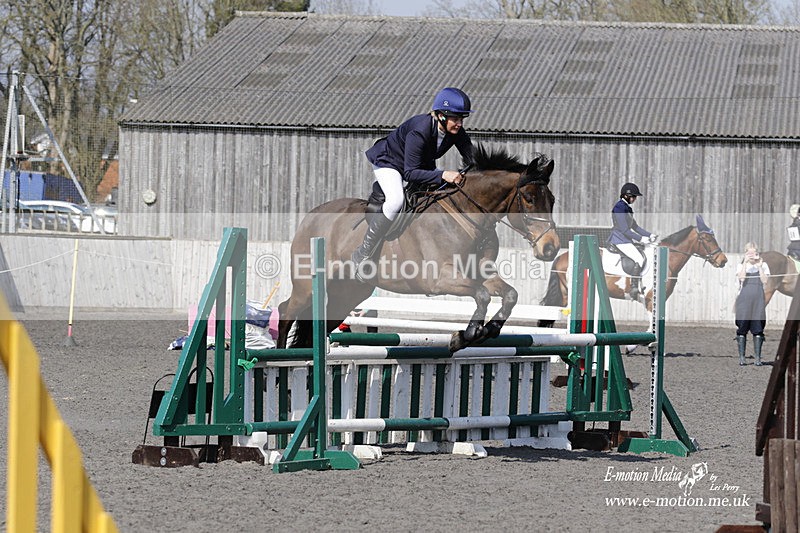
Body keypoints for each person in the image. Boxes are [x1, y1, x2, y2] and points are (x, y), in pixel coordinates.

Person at [351, 87, 475, 279]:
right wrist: (443, 175)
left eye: (462, 119)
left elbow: (472, 159)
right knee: (396, 201)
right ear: (441, 116)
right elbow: (410, 173)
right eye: (455, 118)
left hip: (418, 166)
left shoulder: (456, 132)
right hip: (391, 163)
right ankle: (363, 252)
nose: (459, 123)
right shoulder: (420, 129)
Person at [607, 182, 657, 300]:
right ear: (626, 196)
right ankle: (634, 288)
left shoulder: (627, 208)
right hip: (619, 239)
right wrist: (641, 239)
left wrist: (650, 235)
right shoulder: (619, 208)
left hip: (625, 239)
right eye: (633, 196)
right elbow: (624, 229)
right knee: (639, 258)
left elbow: (635, 227)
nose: (634, 199)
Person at [735, 242, 769, 366]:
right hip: (744, 300)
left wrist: (759, 266)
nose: (752, 255)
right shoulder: (740, 266)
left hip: (758, 300)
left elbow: (765, 281)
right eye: (749, 253)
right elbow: (741, 278)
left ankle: (758, 358)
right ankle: (742, 357)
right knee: (742, 326)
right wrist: (745, 262)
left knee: (758, 327)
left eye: (754, 253)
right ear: (745, 253)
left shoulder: (764, 265)